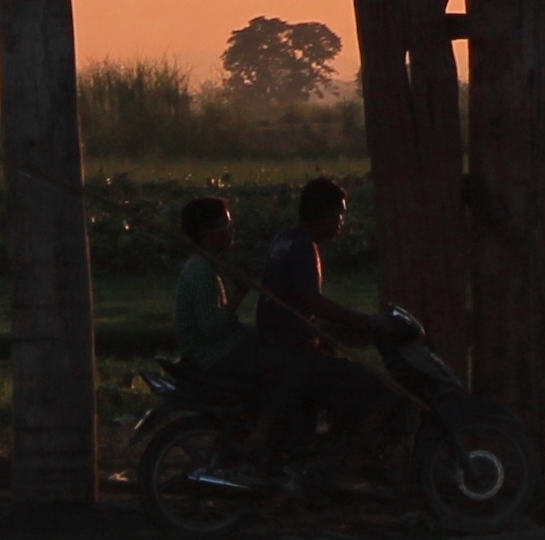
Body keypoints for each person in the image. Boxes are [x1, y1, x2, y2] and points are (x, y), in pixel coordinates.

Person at [255, 177, 413, 452]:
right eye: (338, 213)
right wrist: (359, 319)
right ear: (323, 214)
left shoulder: (285, 239)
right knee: (384, 392)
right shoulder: (304, 246)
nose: (342, 220)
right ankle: (351, 466)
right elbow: (312, 302)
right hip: (295, 353)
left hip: (281, 345)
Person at [172, 197, 319, 457]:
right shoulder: (201, 272)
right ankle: (261, 434)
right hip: (214, 353)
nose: (232, 229)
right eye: (226, 224)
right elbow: (209, 327)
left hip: (220, 347)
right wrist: (241, 293)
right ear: (207, 232)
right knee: (293, 367)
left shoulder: (206, 265)